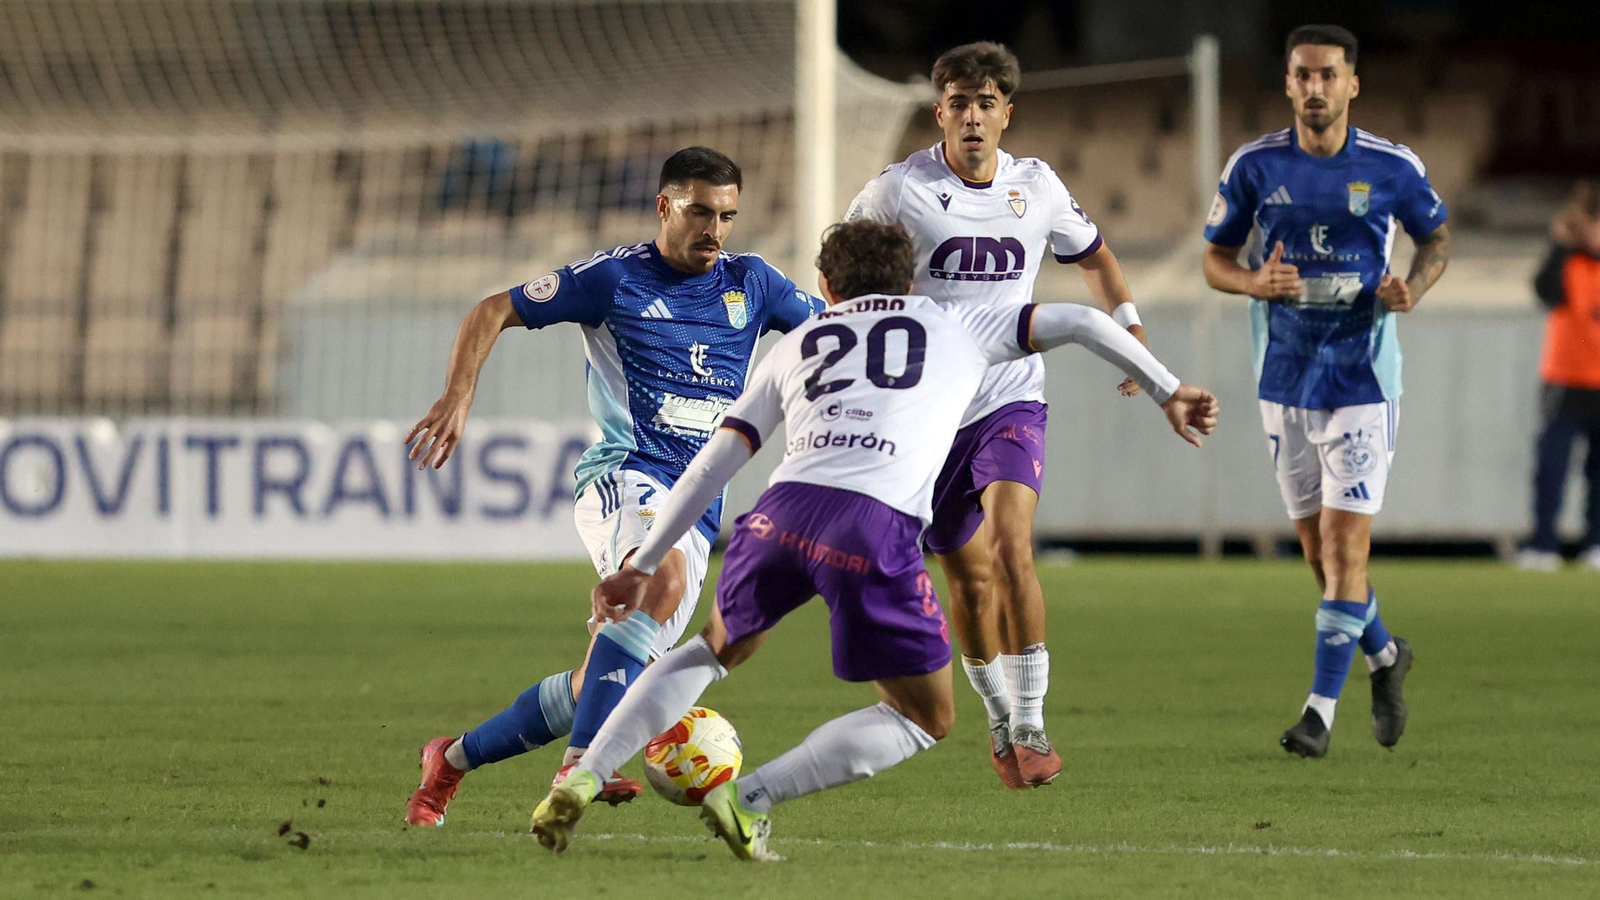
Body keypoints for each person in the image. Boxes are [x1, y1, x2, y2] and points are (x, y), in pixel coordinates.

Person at [528, 220, 1219, 859]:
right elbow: (1083, 319)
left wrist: (642, 563)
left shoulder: (799, 342)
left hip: (778, 515)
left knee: (713, 648)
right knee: (925, 716)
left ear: (826, 286)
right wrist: (1167, 389)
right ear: (910, 280)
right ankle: (748, 799)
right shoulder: (953, 323)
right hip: (871, 524)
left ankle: (584, 774)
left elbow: (718, 459)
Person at [402, 147, 823, 826]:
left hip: (698, 506)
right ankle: (582, 765)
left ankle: (448, 760)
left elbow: (836, 335)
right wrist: (458, 395)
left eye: (727, 216)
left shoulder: (755, 284)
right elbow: (491, 309)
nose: (714, 229)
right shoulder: (613, 278)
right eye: (700, 212)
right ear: (664, 206)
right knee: (657, 581)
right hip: (626, 476)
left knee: (602, 680)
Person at [845, 41, 1150, 788]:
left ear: (1006, 113)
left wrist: (1132, 328)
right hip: (928, 413)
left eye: (986, 104)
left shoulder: (1036, 186)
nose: (973, 117)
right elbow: (840, 267)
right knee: (971, 582)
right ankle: (999, 716)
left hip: (1011, 397)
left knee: (1014, 547)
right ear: (939, 112)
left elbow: (1095, 256)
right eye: (960, 104)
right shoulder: (898, 189)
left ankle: (1034, 722)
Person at [1201, 25, 1451, 758]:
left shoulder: (1392, 167)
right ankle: (1386, 656)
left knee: (1344, 552)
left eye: (1328, 75)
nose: (1315, 87)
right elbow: (1215, 258)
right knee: (1320, 558)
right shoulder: (1255, 166)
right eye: (1303, 75)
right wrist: (1254, 281)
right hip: (1284, 379)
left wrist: (1414, 289)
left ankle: (1318, 715)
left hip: (1363, 381)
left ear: (1352, 84)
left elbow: (1436, 240)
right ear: (1288, 84)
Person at [1518, 182, 1600, 572]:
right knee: (1551, 468)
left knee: (1598, 473)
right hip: (1566, 380)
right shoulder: (1569, 261)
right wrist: (1559, 243)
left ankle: (1595, 542)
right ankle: (1542, 544)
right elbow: (1544, 291)